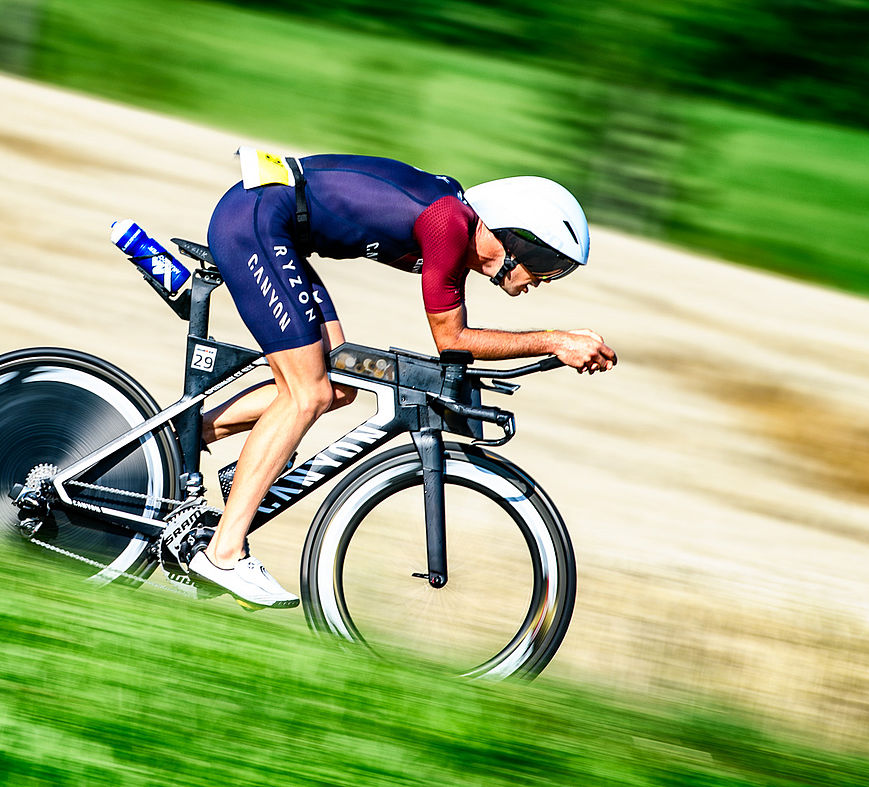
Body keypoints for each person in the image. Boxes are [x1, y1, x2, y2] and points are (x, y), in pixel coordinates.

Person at [187, 151, 617, 608]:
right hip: (257, 221)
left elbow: (457, 339)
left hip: (275, 225)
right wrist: (554, 340)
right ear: (521, 243)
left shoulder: (454, 227)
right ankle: (224, 553)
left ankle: (182, 438)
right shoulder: (449, 224)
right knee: (307, 392)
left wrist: (553, 341)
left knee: (336, 385)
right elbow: (453, 340)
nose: (547, 281)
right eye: (550, 266)